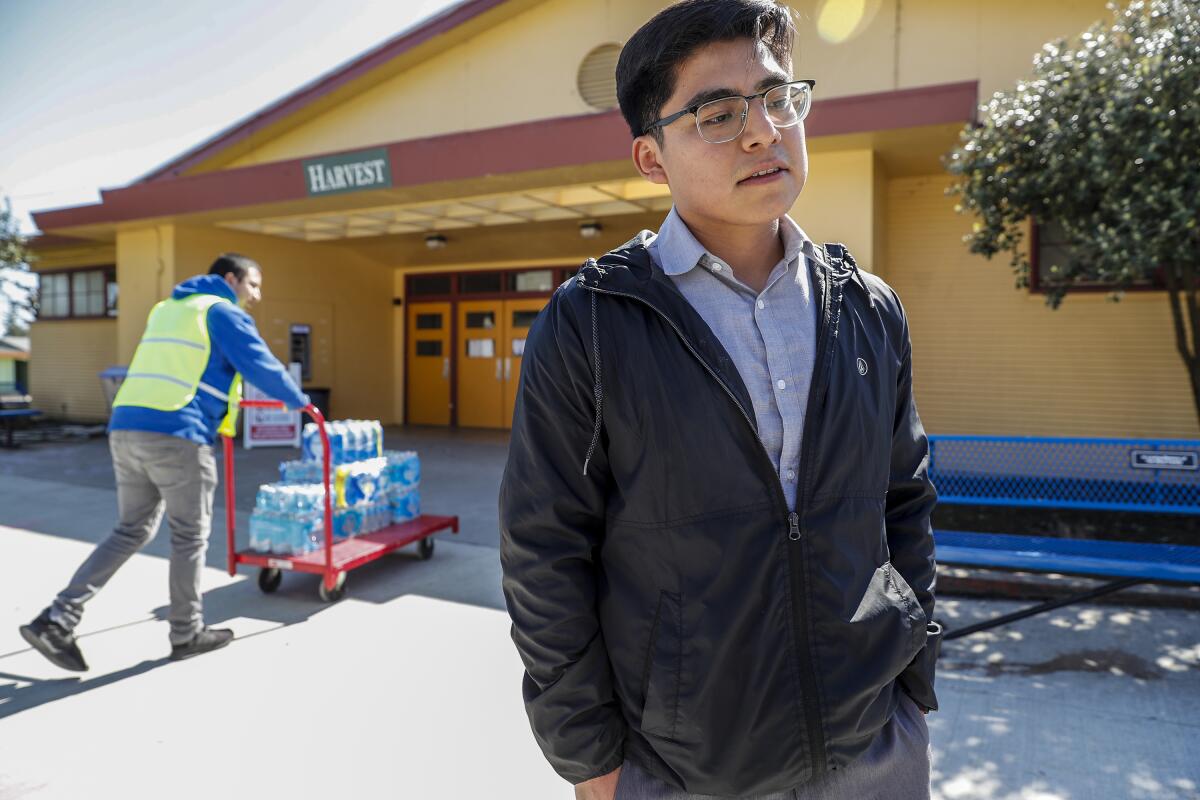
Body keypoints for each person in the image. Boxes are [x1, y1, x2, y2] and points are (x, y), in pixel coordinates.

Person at [499, 2, 942, 798]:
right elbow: (544, 553)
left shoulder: (869, 307)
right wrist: (591, 762)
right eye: (716, 113)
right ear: (651, 156)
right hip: (680, 769)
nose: (763, 131)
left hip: (875, 750)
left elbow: (905, 501)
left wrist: (914, 679)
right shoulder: (592, 322)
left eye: (778, 100)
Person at [20, 254, 309, 669]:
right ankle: (187, 631)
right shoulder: (222, 311)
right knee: (189, 535)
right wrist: (300, 402)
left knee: (130, 529)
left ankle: (57, 618)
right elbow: (260, 364)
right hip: (177, 433)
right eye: (254, 285)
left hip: (125, 427)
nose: (257, 295)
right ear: (230, 279)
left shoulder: (167, 309)